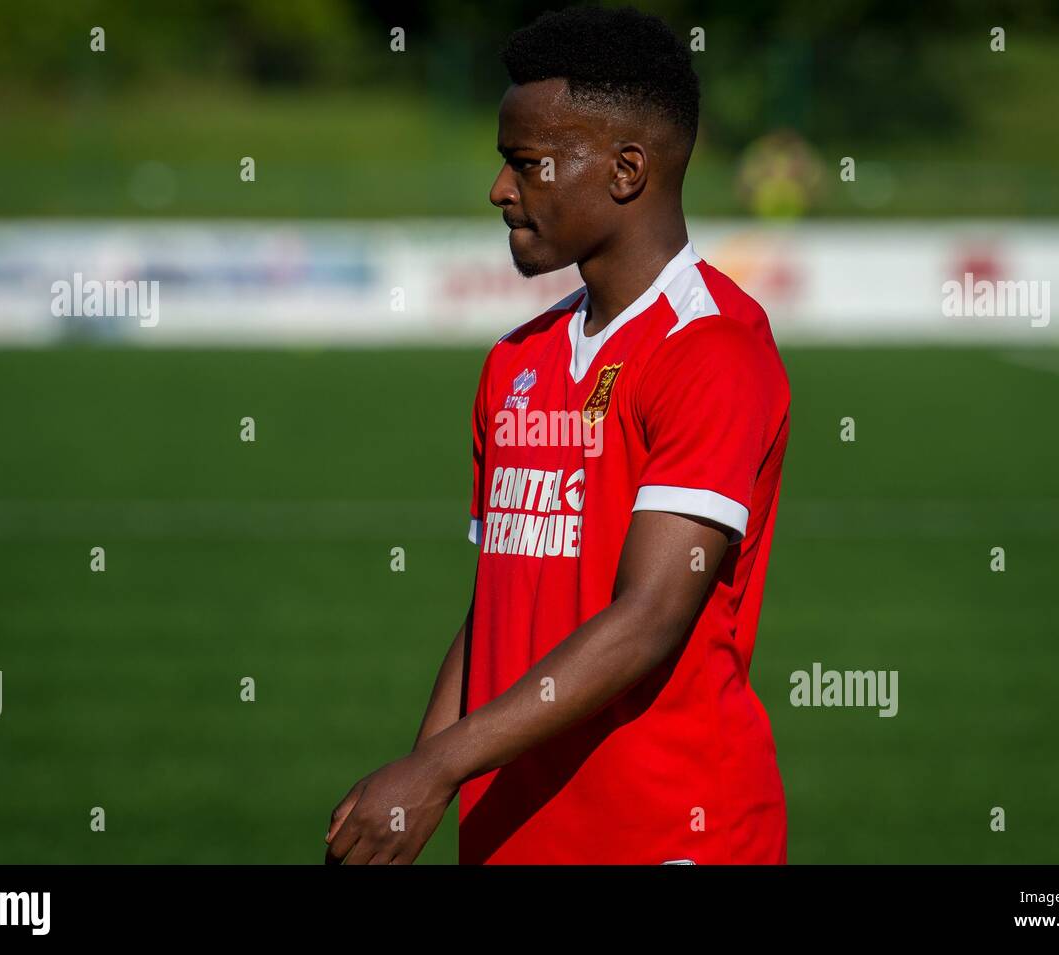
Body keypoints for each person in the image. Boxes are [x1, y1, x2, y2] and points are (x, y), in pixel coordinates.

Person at [327, 5, 791, 865]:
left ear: (625, 170)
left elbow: (649, 616)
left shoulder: (713, 348)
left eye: (526, 163)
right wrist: (421, 781)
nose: (501, 190)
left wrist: (436, 768)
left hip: (668, 833)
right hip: (514, 833)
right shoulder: (515, 360)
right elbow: (495, 600)